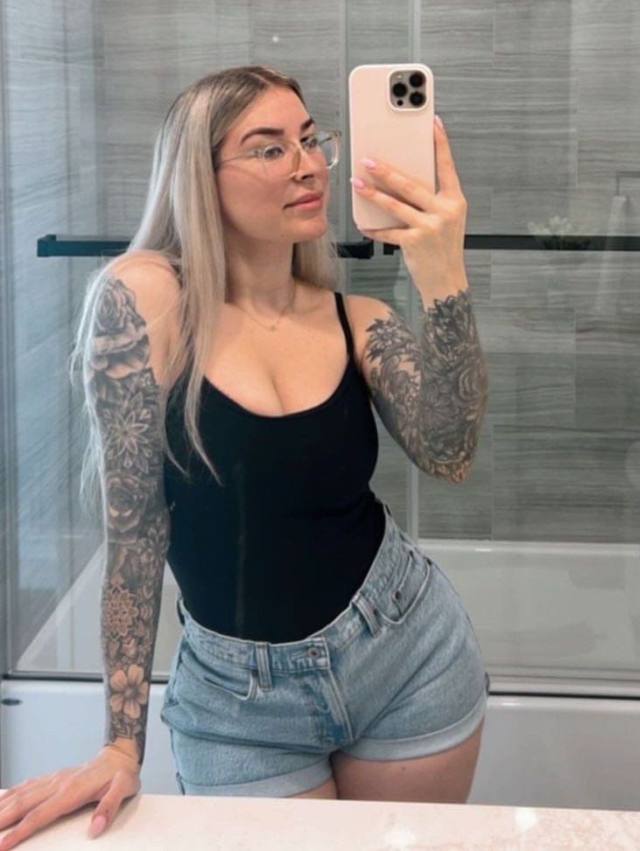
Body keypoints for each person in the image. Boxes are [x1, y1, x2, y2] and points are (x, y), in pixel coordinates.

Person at [0, 64, 490, 847]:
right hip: (236, 703)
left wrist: (444, 277)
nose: (308, 165)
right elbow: (136, 532)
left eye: (311, 140)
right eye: (269, 148)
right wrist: (121, 745)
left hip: (407, 653)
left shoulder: (356, 319)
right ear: (200, 175)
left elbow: (452, 452)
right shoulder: (150, 300)